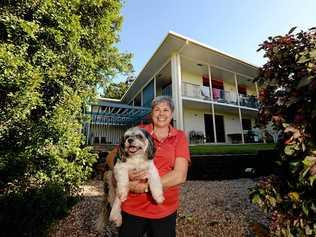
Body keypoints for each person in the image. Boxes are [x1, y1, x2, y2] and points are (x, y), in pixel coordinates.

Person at [106, 95, 190, 237]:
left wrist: (144, 187)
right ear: (151, 114)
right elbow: (111, 156)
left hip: (164, 209)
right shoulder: (139, 131)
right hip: (132, 207)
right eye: (157, 110)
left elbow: (180, 175)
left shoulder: (179, 136)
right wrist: (123, 172)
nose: (161, 114)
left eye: (166, 110)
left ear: (172, 113)